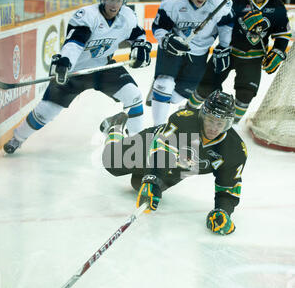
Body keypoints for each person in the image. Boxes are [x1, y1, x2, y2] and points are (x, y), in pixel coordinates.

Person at [3, 0, 152, 154]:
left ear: (123, 1)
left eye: (118, 0)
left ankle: (136, 143)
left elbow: (138, 35)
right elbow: (75, 42)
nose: (114, 4)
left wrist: (141, 48)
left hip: (103, 67)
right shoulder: (87, 16)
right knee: (46, 111)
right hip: (75, 71)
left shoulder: (127, 16)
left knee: (134, 96)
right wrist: (65, 62)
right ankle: (18, 138)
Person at [101, 90, 247, 236]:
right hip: (149, 145)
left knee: (138, 184)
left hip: (176, 168)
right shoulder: (184, 120)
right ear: (203, 115)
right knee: (111, 162)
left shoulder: (234, 150)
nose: (213, 128)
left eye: (219, 123)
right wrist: (153, 179)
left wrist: (223, 211)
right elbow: (162, 152)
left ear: (227, 123)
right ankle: (115, 127)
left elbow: (228, 188)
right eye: (210, 120)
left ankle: (146, 176)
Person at [189, 0, 292, 122]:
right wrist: (239, 22)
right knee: (205, 87)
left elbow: (283, 34)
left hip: (253, 58)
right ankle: (187, 112)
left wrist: (278, 50)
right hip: (228, 51)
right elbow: (222, 22)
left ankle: (231, 125)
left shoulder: (276, 5)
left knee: (246, 94)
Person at [146, 0, 234, 126]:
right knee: (164, 84)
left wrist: (224, 46)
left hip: (199, 52)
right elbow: (158, 27)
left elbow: (227, 25)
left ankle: (159, 94)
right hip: (174, 48)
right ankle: (157, 128)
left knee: (181, 95)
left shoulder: (220, 2)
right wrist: (167, 39)